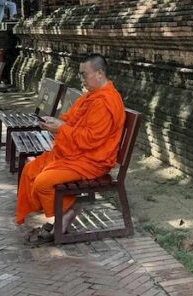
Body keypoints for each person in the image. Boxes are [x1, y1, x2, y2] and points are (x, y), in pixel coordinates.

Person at [18, 54, 124, 244]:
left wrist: (61, 128)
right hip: (77, 155)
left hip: (93, 161)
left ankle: (66, 213)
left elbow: (91, 139)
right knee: (30, 169)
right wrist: (56, 123)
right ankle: (64, 212)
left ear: (99, 74)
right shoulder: (91, 96)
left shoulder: (106, 101)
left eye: (84, 75)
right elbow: (71, 119)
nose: (81, 79)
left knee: (43, 181)